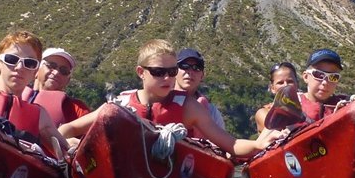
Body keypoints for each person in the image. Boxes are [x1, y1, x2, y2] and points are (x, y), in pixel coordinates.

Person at [59, 39, 285, 157]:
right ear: (141, 72)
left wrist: (257, 144)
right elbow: (66, 130)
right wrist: (71, 144)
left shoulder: (189, 107)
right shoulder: (120, 104)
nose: (167, 77)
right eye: (158, 72)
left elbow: (231, 144)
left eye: (171, 72)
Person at [0, 30, 70, 161]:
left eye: (29, 63)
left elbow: (68, 154)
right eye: (12, 59)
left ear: (35, 71)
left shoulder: (40, 117)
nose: (19, 67)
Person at [22, 47, 92, 126]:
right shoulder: (17, 98)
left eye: (63, 71)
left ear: (67, 81)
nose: (56, 73)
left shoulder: (78, 110)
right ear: (37, 69)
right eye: (51, 66)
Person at [174, 48, 225, 137]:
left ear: (202, 76)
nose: (190, 72)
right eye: (184, 66)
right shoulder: (160, 101)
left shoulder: (212, 113)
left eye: (196, 68)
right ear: (174, 71)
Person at [297, 48, 352, 121]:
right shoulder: (291, 105)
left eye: (333, 77)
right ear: (306, 77)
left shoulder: (346, 108)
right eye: (319, 74)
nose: (325, 82)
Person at [253, 62, 299, 131]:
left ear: (297, 84)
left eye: (290, 81)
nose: (285, 85)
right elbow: (275, 128)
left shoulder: (306, 107)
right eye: (280, 83)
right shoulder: (263, 113)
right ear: (272, 88)